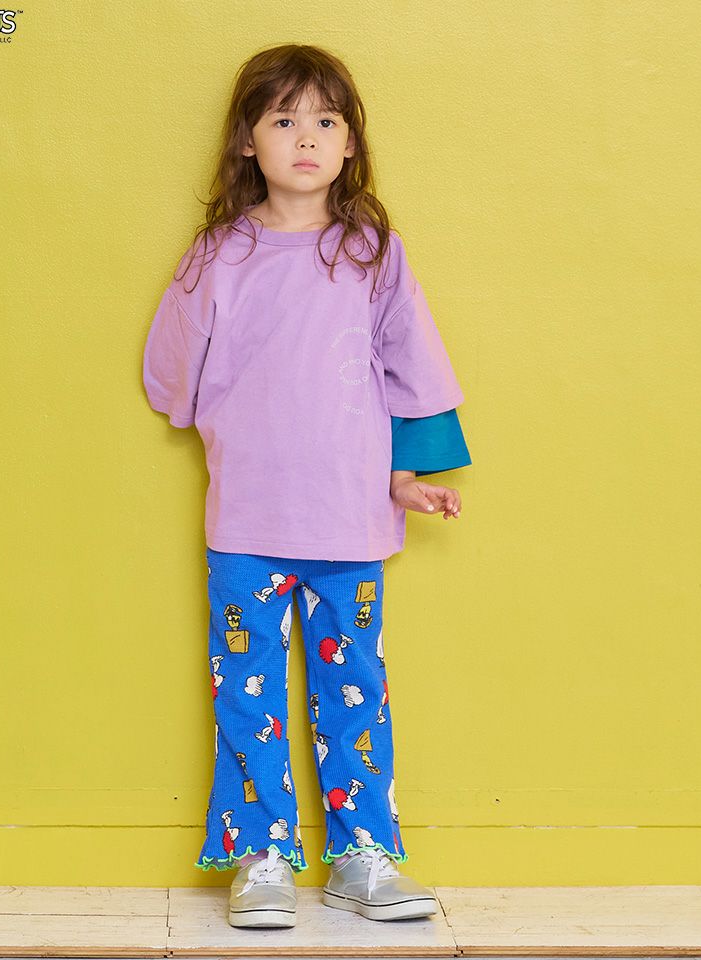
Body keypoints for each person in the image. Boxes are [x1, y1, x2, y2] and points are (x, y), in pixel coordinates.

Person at [142, 43, 472, 929]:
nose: (306, 138)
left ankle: (363, 855)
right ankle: (260, 857)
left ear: (350, 141)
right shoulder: (220, 254)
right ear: (247, 140)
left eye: (326, 120)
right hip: (247, 518)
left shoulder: (374, 253)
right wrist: (210, 409)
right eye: (284, 120)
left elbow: (412, 367)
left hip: (349, 518)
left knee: (355, 687)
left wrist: (408, 475)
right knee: (245, 691)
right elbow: (171, 371)